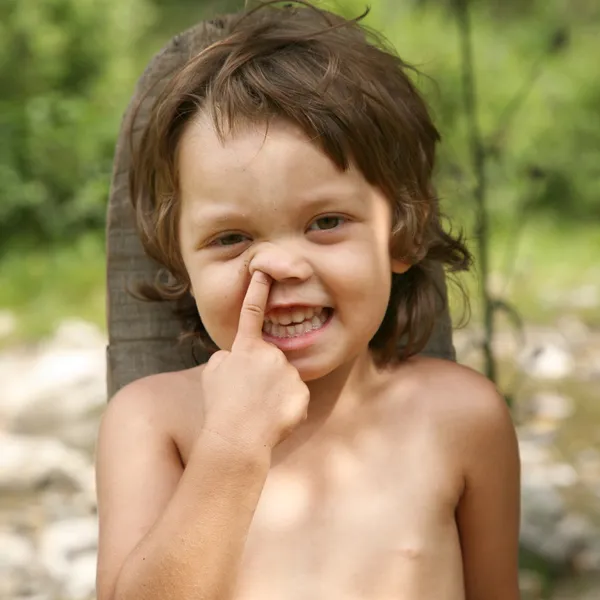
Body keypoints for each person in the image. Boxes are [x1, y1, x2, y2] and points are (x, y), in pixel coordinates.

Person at [95, 2, 521, 599]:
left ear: (399, 231)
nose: (279, 265)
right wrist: (232, 449)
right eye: (231, 238)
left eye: (325, 222)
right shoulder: (154, 423)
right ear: (180, 262)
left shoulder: (462, 418)